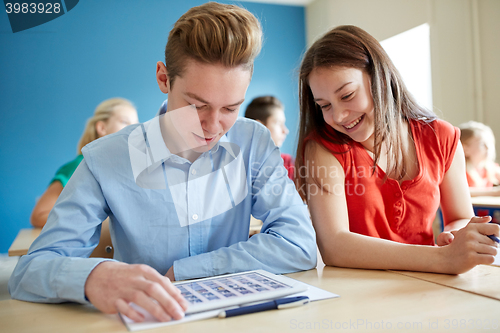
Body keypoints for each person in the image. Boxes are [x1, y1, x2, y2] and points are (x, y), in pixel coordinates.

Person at [9, 2, 316, 324]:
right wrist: (94, 277)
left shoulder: (254, 142)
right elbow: (31, 270)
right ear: (163, 78)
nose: (212, 126)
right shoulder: (106, 159)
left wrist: (186, 271)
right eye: (197, 106)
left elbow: (299, 242)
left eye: (230, 108)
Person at [295, 25, 499, 275]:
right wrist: (442, 259)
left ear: (381, 78)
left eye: (347, 95)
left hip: (427, 283)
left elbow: (460, 216)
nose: (338, 115)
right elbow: (334, 245)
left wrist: (455, 235)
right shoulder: (323, 148)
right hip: (357, 290)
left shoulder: (442, 137)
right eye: (324, 105)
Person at [30, 98, 139, 228]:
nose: (132, 129)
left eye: (136, 124)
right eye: (125, 122)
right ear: (102, 127)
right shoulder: (80, 166)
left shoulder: (128, 170)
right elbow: (38, 215)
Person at [245, 96, 295, 180]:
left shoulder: (289, 164)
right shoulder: (238, 165)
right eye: (278, 123)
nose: (285, 131)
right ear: (259, 127)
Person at [459, 121, 500, 196]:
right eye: (482, 144)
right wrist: (494, 193)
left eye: (490, 143)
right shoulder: (460, 171)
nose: (488, 147)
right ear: (465, 149)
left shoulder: (491, 169)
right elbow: (459, 192)